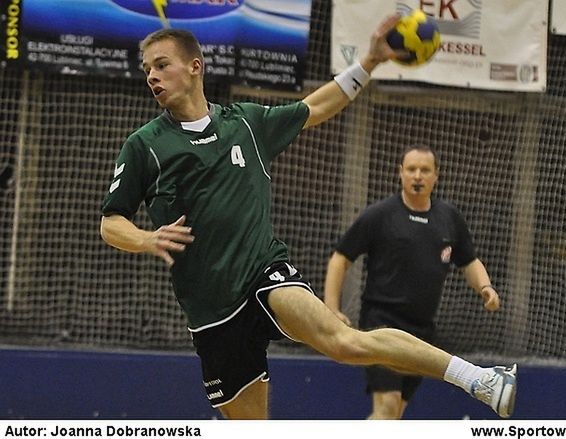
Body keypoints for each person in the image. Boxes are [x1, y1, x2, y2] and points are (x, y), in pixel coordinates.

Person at [100, 15, 517, 420]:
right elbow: (111, 222)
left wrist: (369, 61)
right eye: (147, 69)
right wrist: (146, 238)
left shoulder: (245, 124)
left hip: (263, 271)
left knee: (344, 343)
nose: (152, 76)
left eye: (161, 65)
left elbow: (315, 107)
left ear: (195, 67)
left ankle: (479, 379)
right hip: (211, 310)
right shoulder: (145, 145)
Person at [324, 145, 502, 419]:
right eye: (411, 169)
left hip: (422, 331)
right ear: (400, 173)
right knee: (387, 408)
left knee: (393, 416)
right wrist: (331, 309)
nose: (417, 176)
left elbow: (469, 261)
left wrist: (485, 287)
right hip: (382, 324)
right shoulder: (380, 214)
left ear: (436, 176)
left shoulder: (449, 218)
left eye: (425, 170)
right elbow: (341, 258)